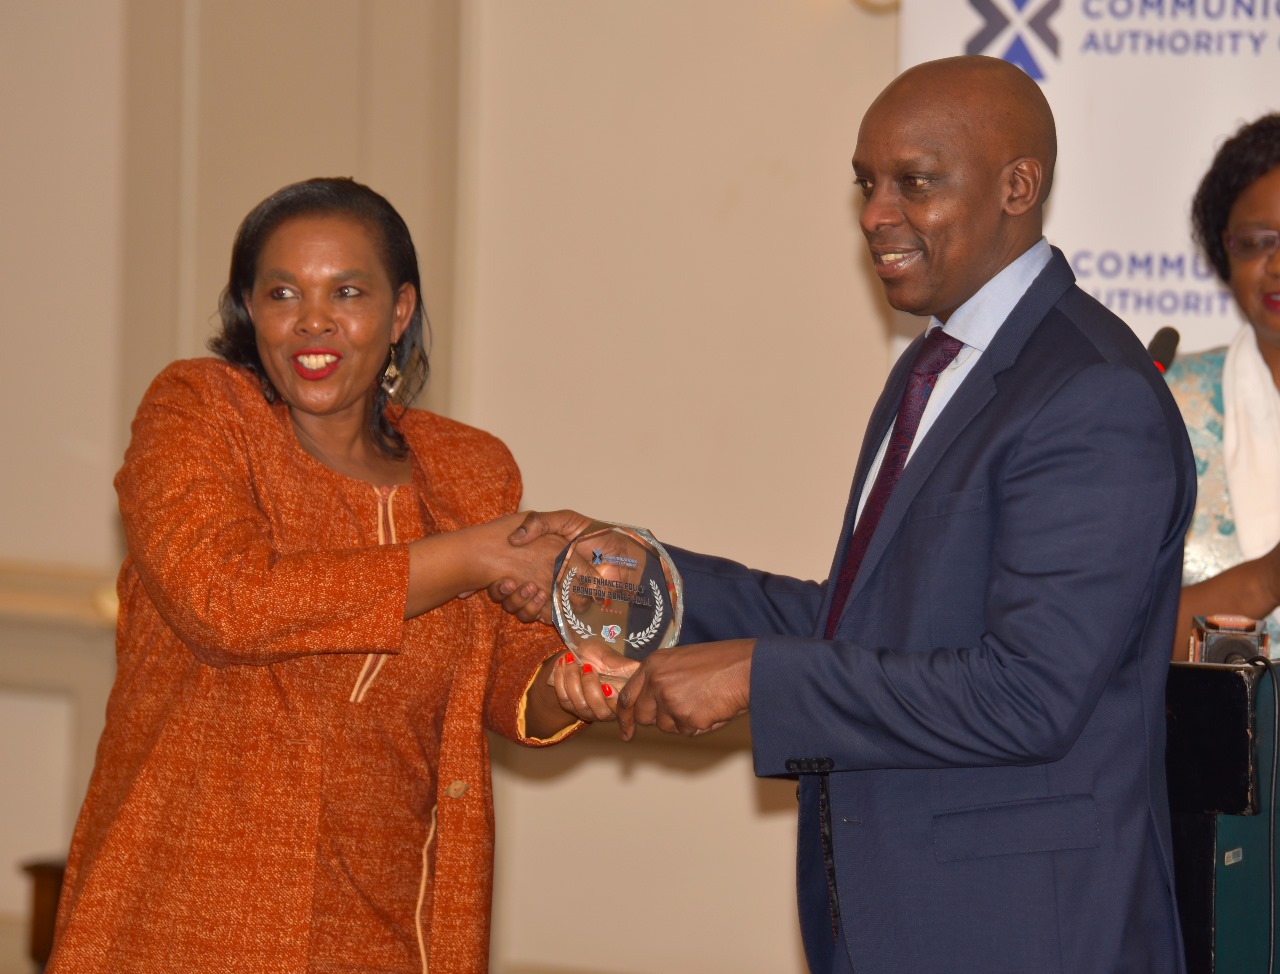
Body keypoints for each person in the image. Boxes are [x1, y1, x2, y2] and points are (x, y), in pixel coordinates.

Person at [498, 56, 1195, 974]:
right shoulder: (936, 366)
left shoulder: (1090, 392)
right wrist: (629, 573)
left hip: (1024, 930)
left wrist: (759, 678)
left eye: (915, 182)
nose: (874, 213)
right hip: (894, 918)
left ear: (1017, 186)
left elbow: (1028, 695)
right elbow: (861, 626)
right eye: (867, 183)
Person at [46, 177, 584, 974]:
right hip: (186, 918)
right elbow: (227, 601)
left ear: (399, 312)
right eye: (283, 292)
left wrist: (576, 682)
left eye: (349, 291)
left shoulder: (470, 471)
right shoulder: (199, 414)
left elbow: (501, 674)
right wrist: (473, 554)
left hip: (390, 919)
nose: (314, 321)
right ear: (249, 309)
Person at [1165, 113, 1280, 659]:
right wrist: (1267, 581)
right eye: (1257, 242)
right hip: (1204, 739)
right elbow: (1108, 636)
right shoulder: (1164, 405)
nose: (1277, 264)